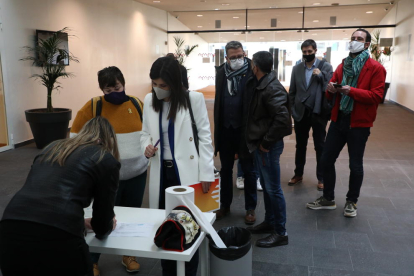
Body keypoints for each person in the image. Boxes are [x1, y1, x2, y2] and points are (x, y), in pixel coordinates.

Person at [0, 117, 120, 276]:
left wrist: (78, 222)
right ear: (108, 139)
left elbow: (41, 191)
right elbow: (102, 220)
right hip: (58, 234)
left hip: (10, 225)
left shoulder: (53, 148)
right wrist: (107, 225)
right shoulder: (104, 158)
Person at [141, 56, 215, 276]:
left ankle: (189, 270)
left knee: (190, 223)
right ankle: (168, 270)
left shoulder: (194, 99)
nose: (158, 89)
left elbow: (204, 137)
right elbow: (145, 133)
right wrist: (146, 146)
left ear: (174, 82)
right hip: (161, 171)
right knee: (164, 222)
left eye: (163, 85)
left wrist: (206, 172)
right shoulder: (148, 100)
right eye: (154, 84)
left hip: (187, 173)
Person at [70, 66, 147, 275]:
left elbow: (148, 132)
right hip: (104, 176)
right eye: (108, 89)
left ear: (123, 83)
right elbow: (75, 135)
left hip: (136, 173)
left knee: (132, 216)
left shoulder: (137, 104)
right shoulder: (93, 106)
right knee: (101, 217)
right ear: (101, 89)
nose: (113, 92)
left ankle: (128, 255)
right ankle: (93, 260)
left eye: (117, 87)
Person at [307, 29, 386, 218]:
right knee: (326, 159)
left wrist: (351, 91)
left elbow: (377, 96)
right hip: (338, 118)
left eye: (359, 39)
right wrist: (331, 89)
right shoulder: (343, 65)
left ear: (367, 44)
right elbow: (332, 87)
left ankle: (352, 201)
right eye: (353, 38)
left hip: (359, 123)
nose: (354, 41)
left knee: (355, 165)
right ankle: (328, 198)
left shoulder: (375, 68)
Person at [245, 51, 292, 248]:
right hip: (262, 144)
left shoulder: (272, 87)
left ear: (255, 66)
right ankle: (270, 222)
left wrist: (266, 142)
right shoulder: (264, 83)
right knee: (267, 185)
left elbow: (282, 119)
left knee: (273, 189)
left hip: (267, 147)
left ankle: (280, 232)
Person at [213, 41, 259, 225]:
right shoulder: (221, 72)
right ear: (226, 58)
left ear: (244, 53)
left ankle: (250, 208)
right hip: (225, 129)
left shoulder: (252, 71)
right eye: (233, 57)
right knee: (225, 170)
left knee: (249, 170)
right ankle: (225, 205)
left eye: (240, 56)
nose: (238, 59)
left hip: (245, 130)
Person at [288, 39, 333, 191]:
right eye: (304, 52)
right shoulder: (297, 68)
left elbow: (331, 88)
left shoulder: (325, 66)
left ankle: (321, 177)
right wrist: (293, 109)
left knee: (320, 145)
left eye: (310, 51)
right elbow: (292, 91)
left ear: (315, 51)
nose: (307, 54)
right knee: (300, 145)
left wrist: (321, 76)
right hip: (301, 112)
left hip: (318, 112)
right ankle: (298, 174)